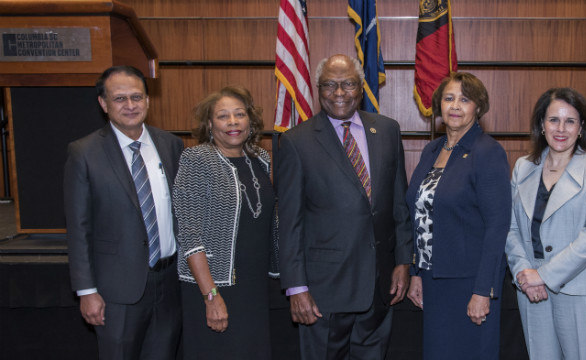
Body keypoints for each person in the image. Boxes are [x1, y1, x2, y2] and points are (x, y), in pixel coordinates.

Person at [277, 54, 413, 359]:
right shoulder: (296, 142)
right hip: (324, 292)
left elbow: (398, 204)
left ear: (361, 87)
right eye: (330, 85)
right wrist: (296, 287)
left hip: (380, 287)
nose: (340, 93)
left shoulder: (388, 130)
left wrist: (404, 261)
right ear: (318, 89)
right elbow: (289, 222)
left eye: (348, 84)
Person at [64, 65, 183, 359]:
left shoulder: (171, 145)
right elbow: (78, 228)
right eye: (119, 99)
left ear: (148, 101)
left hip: (169, 285)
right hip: (115, 293)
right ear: (103, 104)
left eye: (137, 97)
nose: (130, 106)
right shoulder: (84, 153)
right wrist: (86, 291)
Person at [505, 88, 586, 359]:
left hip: (583, 289)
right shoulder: (523, 166)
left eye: (570, 121)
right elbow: (510, 229)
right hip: (531, 289)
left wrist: (543, 276)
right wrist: (524, 273)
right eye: (553, 119)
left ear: (581, 128)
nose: (561, 128)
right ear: (541, 125)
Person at [405, 72, 511, 359]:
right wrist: (416, 272)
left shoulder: (487, 152)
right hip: (433, 280)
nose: (455, 106)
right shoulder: (432, 150)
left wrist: (482, 291)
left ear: (478, 107)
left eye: (464, 100)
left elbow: (498, 227)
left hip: (468, 284)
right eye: (449, 98)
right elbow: (419, 216)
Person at [172, 86, 277, 359]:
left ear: (250, 121)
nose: (232, 122)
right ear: (209, 124)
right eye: (223, 116)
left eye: (239, 114)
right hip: (214, 284)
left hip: (254, 286)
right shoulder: (196, 159)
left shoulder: (261, 159)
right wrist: (211, 296)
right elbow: (189, 232)